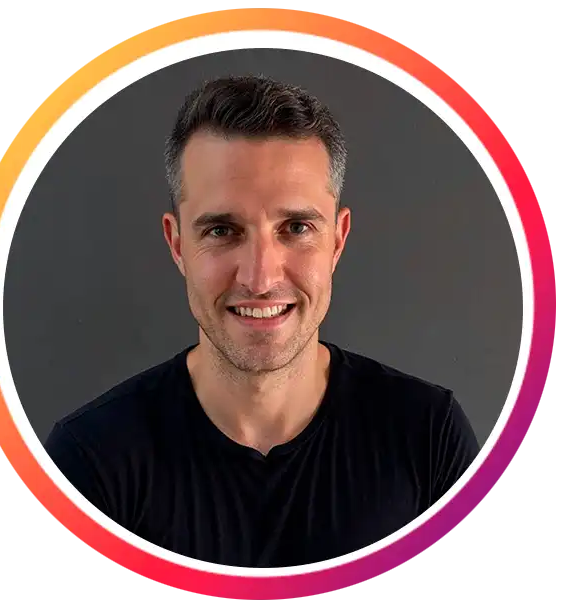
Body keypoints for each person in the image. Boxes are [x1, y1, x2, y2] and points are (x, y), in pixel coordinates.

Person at [45, 75, 479, 568]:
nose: (260, 278)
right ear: (178, 244)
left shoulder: (427, 438)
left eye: (296, 228)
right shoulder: (90, 461)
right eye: (222, 230)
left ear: (337, 240)